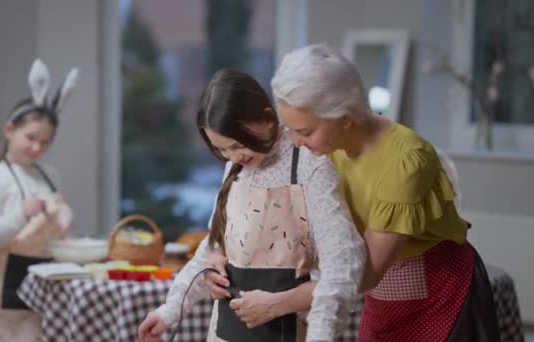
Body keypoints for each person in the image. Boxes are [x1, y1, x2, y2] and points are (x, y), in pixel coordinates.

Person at [206, 43, 501, 341]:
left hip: (439, 297)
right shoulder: (324, 148)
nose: (294, 142)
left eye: (305, 132)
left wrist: (278, 303)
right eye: (290, 128)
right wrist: (221, 250)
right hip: (381, 299)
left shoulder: (405, 162)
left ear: (345, 118)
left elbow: (363, 273)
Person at [138, 69, 365, 342]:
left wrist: (302, 323)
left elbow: (342, 268)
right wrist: (168, 311)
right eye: (221, 149)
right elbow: (213, 247)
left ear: (267, 118)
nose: (232, 156)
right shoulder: (235, 168)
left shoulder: (309, 166)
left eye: (236, 144)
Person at [0, 59, 78, 341]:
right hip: (4, 299)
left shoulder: (49, 176)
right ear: (9, 130)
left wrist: (62, 218)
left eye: (45, 143)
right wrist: (20, 214)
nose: (36, 147)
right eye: (30, 137)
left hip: (45, 293)